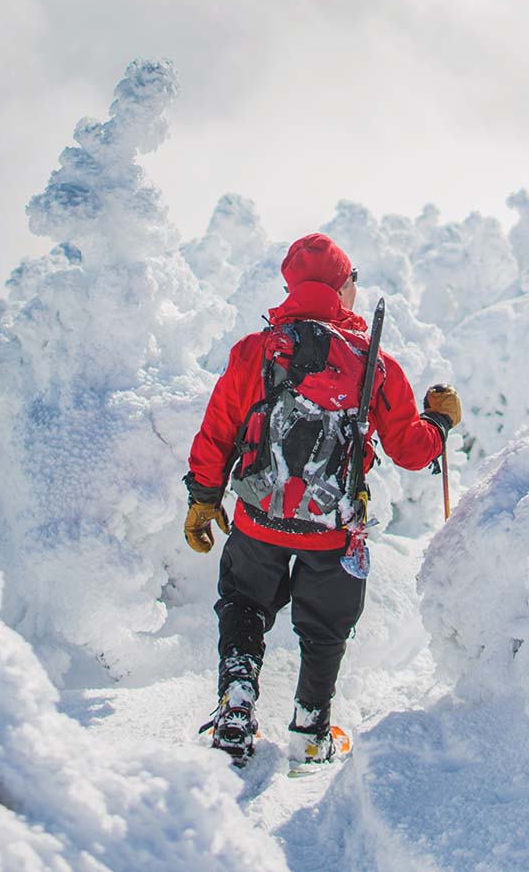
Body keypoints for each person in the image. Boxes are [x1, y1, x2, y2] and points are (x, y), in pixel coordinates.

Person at [184, 233, 461, 765]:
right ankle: (310, 732)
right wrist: (440, 421)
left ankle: (236, 704)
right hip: (333, 530)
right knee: (324, 628)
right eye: (351, 278)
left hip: (258, 520)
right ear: (342, 285)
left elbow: (217, 430)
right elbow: (408, 449)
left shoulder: (253, 352)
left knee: (244, 604)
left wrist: (203, 498)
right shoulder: (372, 361)